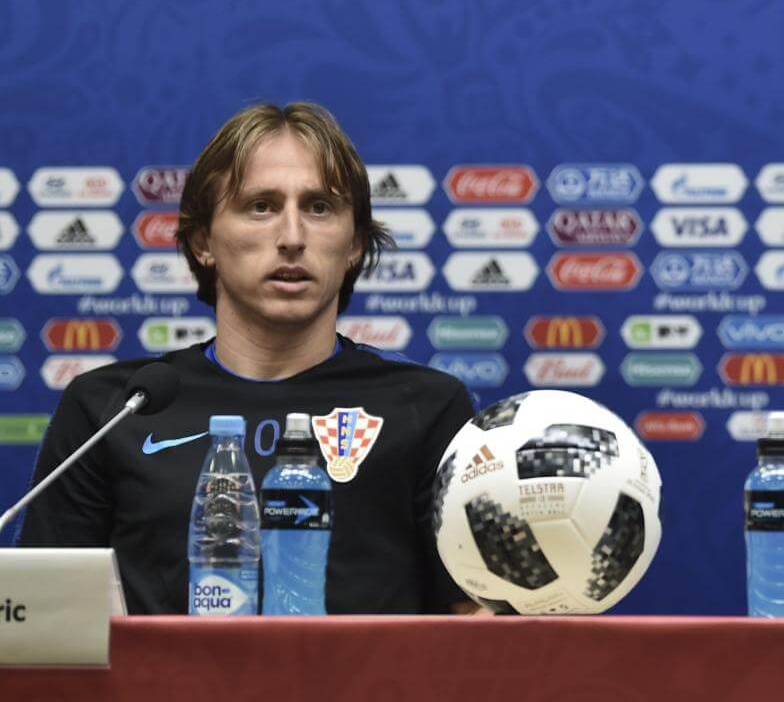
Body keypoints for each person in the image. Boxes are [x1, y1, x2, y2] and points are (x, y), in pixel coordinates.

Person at [19, 102, 479, 614]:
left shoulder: (427, 408)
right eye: (261, 206)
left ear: (354, 244)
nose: (292, 238)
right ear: (203, 241)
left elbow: (474, 620)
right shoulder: (113, 408)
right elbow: (43, 620)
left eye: (319, 207)